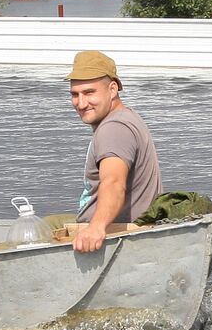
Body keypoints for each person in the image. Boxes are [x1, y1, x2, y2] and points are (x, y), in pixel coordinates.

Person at [67, 50, 162, 253]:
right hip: (124, 226)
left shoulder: (114, 129)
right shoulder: (126, 117)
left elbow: (114, 182)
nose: (81, 103)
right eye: (75, 94)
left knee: (33, 232)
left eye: (89, 92)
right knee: (47, 223)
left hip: (118, 236)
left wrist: (96, 228)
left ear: (112, 89)